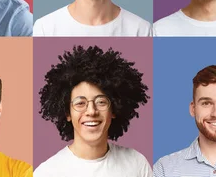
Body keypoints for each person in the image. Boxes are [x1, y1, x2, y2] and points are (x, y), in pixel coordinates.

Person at [35, 45, 152, 176]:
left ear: (114, 109)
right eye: (80, 103)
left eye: (101, 102)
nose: (91, 111)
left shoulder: (137, 164)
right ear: (67, 113)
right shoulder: (47, 172)